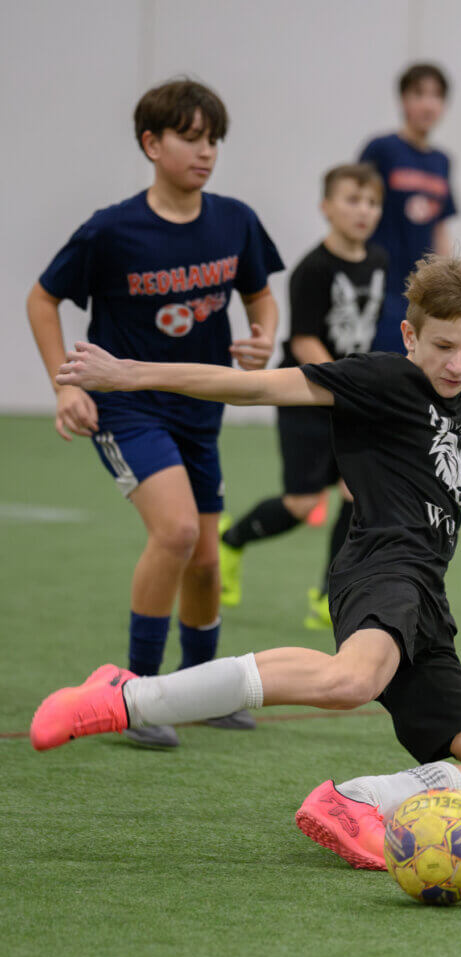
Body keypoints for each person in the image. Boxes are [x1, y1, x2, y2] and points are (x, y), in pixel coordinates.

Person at [31, 255, 461, 872]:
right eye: (443, 347)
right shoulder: (380, 379)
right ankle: (130, 697)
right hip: (381, 567)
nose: (457, 365)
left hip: (427, 608)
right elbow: (254, 387)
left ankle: (358, 801)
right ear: (410, 336)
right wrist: (128, 374)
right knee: (350, 682)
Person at [26, 78, 284, 749]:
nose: (206, 152)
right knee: (176, 532)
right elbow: (41, 299)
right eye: (190, 138)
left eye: (214, 140)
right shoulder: (111, 230)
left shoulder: (235, 220)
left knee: (205, 560)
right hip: (126, 408)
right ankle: (134, 695)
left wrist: (263, 337)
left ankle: (203, 688)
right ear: (151, 143)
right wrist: (65, 386)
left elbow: (260, 295)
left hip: (200, 407)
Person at [219, 163, 388, 626]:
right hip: (307, 396)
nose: (364, 211)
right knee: (301, 504)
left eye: (372, 202)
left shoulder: (379, 260)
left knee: (357, 494)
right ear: (326, 207)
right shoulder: (313, 269)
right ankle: (231, 541)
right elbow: (304, 341)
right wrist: (349, 384)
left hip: (352, 399)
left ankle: (330, 596)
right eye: (352, 200)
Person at [359, 62, 457, 353]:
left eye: (436, 96)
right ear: (403, 100)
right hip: (379, 285)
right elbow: (355, 207)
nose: (428, 104)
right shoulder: (382, 149)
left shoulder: (442, 161)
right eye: (419, 94)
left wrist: (450, 283)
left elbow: (439, 226)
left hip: (419, 290)